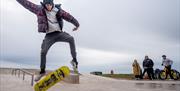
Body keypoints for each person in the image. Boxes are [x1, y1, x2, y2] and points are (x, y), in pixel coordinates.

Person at [16, 0, 80, 81]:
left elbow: (69, 17)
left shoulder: (58, 10)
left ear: (52, 4)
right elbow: (27, 4)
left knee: (71, 39)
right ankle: (42, 71)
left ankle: (74, 60)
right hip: (49, 36)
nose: (48, 7)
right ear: (44, 4)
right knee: (43, 52)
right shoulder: (39, 9)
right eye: (46, 5)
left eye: (50, 5)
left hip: (59, 33)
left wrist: (77, 24)